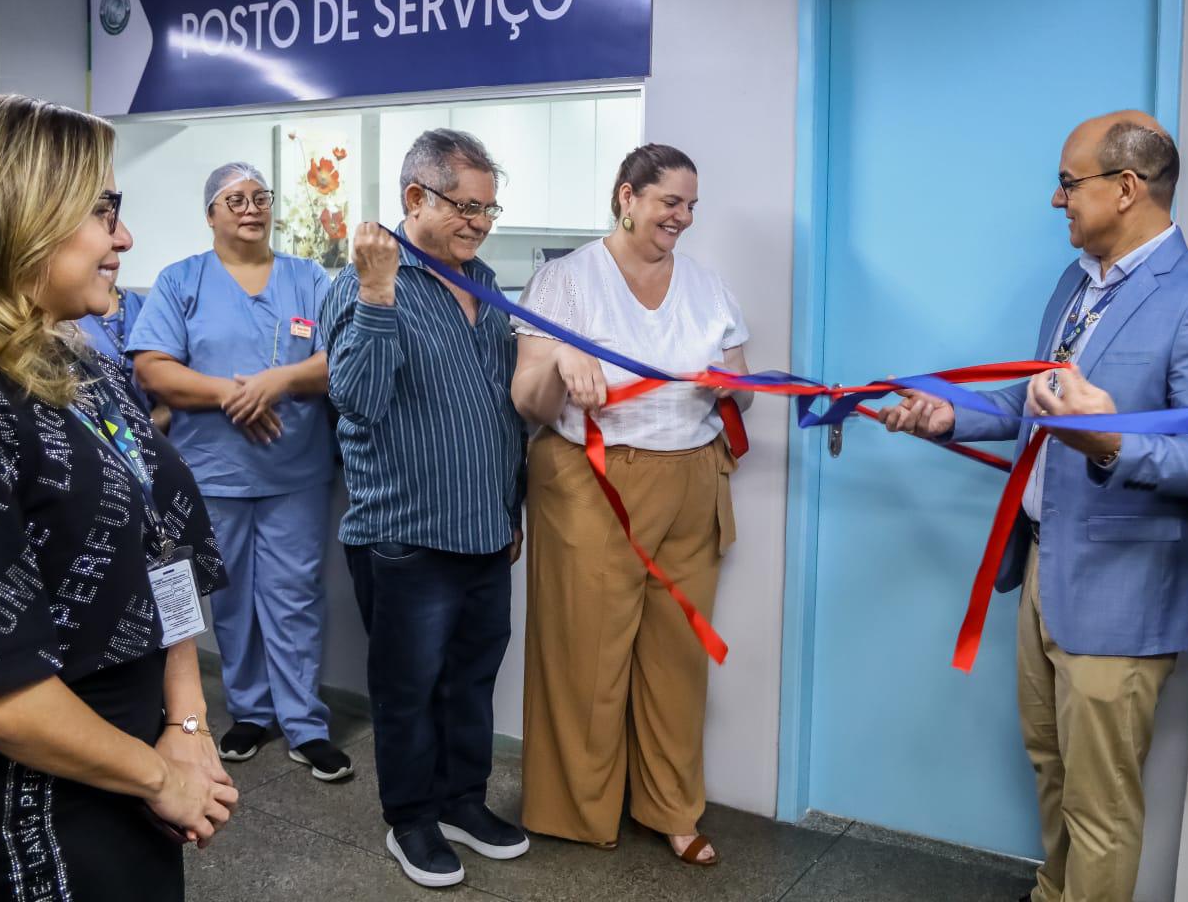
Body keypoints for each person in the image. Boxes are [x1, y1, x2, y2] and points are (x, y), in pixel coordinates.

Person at [881, 112, 1188, 902]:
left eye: (1068, 183)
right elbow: (1035, 404)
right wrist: (950, 415)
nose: (1058, 201)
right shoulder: (1075, 285)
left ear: (1126, 188)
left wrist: (1111, 443)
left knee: (1100, 805)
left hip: (1124, 591)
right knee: (1051, 768)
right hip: (1044, 566)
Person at [0, 94, 237, 900]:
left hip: (139, 754)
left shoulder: (77, 359)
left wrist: (186, 721)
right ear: (25, 216)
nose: (124, 238)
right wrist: (160, 778)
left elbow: (165, 545)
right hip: (46, 793)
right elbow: (0, 692)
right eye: (103, 210)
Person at [510, 144, 752, 867]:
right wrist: (561, 359)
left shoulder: (708, 287)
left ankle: (673, 808)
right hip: (591, 484)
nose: (682, 218)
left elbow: (740, 389)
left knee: (677, 658)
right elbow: (528, 402)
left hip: (691, 482)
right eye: (669, 202)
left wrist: (729, 386)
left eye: (691, 206)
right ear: (627, 196)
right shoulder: (565, 282)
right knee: (585, 652)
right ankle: (577, 811)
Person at [321, 129, 528, 889]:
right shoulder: (363, 285)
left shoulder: (486, 287)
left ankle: (460, 802)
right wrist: (378, 293)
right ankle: (409, 818)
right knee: (408, 692)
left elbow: (504, 413)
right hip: (407, 534)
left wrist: (512, 508)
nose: (479, 223)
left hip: (485, 530)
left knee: (472, 682)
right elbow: (358, 399)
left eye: (488, 208)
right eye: (465, 206)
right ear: (415, 197)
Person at [128, 162, 350, 781]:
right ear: (211, 215)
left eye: (260, 197)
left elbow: (339, 358)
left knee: (294, 595)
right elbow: (152, 368)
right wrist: (234, 394)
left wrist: (279, 382)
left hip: (294, 471)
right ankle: (250, 712)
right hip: (214, 473)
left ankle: (305, 723)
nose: (250, 208)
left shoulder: (311, 278)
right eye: (234, 200)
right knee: (229, 599)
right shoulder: (182, 281)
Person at [73, 221, 169, 429]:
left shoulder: (150, 308)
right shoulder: (67, 317)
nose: (122, 243)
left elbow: (170, 398)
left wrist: (145, 430)